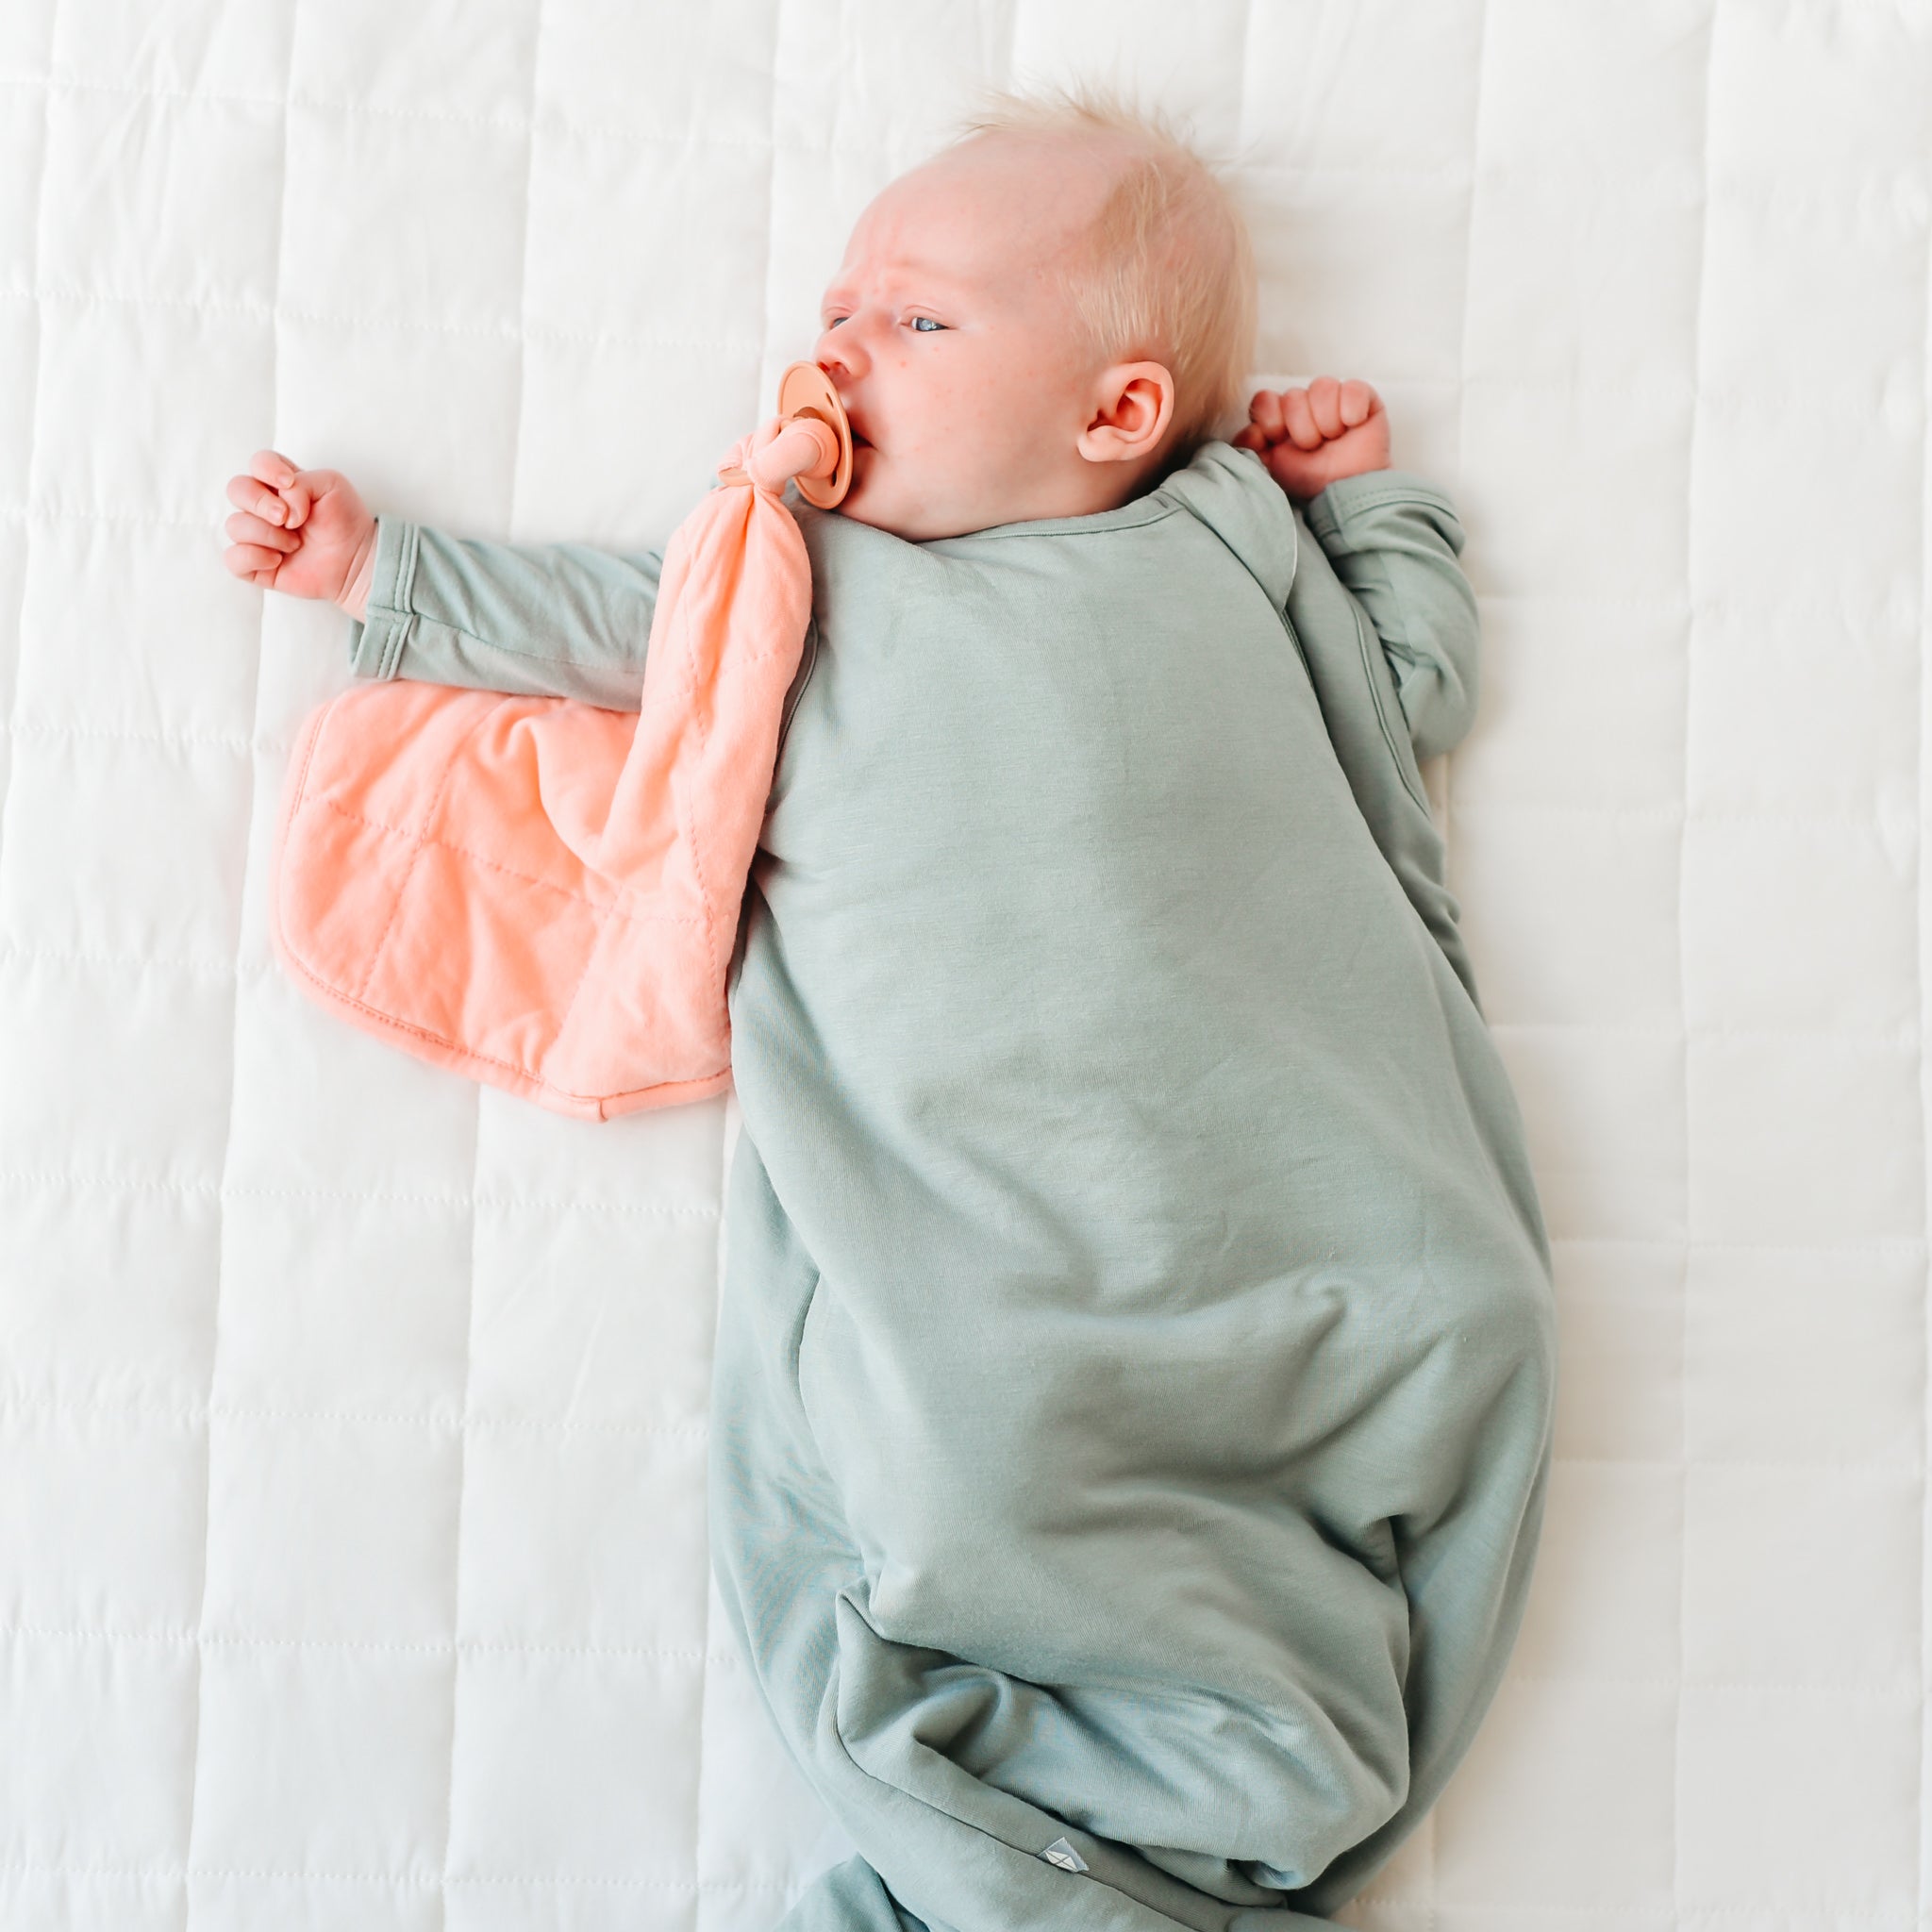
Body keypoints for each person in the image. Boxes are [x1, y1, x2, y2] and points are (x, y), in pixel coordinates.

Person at [222, 88, 1556, 1932]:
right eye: (838, 306)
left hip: (1317, 1212)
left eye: (916, 320)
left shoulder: (1227, 540)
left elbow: (1392, 707)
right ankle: (1058, 1871)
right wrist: (381, 569)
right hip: (1011, 1265)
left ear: (1116, 413)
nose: (838, 346)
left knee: (1439, 1325)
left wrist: (1365, 509)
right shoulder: (794, 579)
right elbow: (622, 628)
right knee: (977, 1446)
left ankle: (1203, 1799)